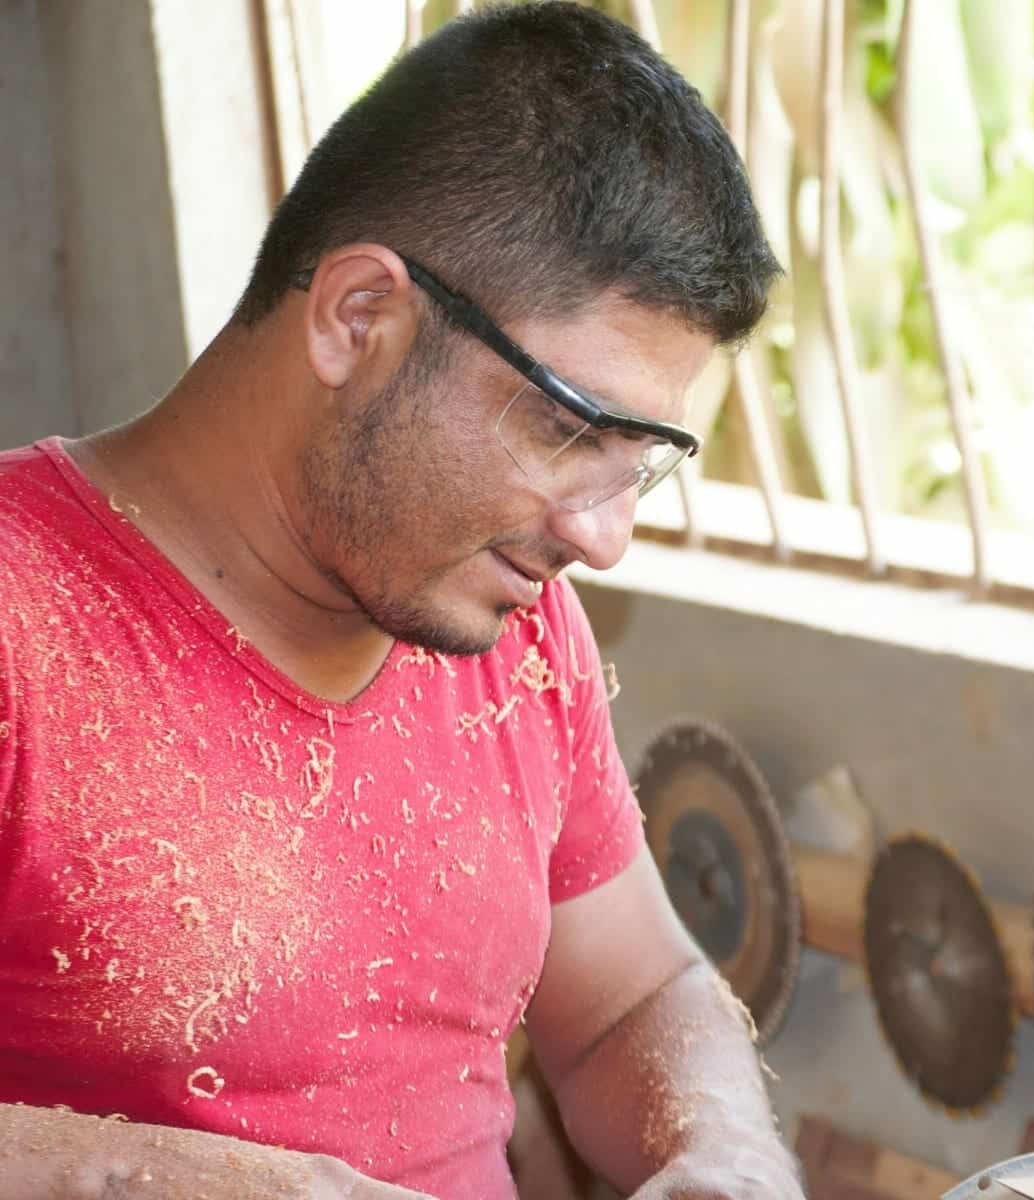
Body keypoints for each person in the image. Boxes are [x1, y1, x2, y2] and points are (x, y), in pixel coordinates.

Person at [0, 3, 803, 1198]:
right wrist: (213, 1184)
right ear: (359, 318)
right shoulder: (24, 622)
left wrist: (722, 1151)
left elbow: (633, 994)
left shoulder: (511, 626)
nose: (603, 535)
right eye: (567, 427)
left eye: (634, 462)